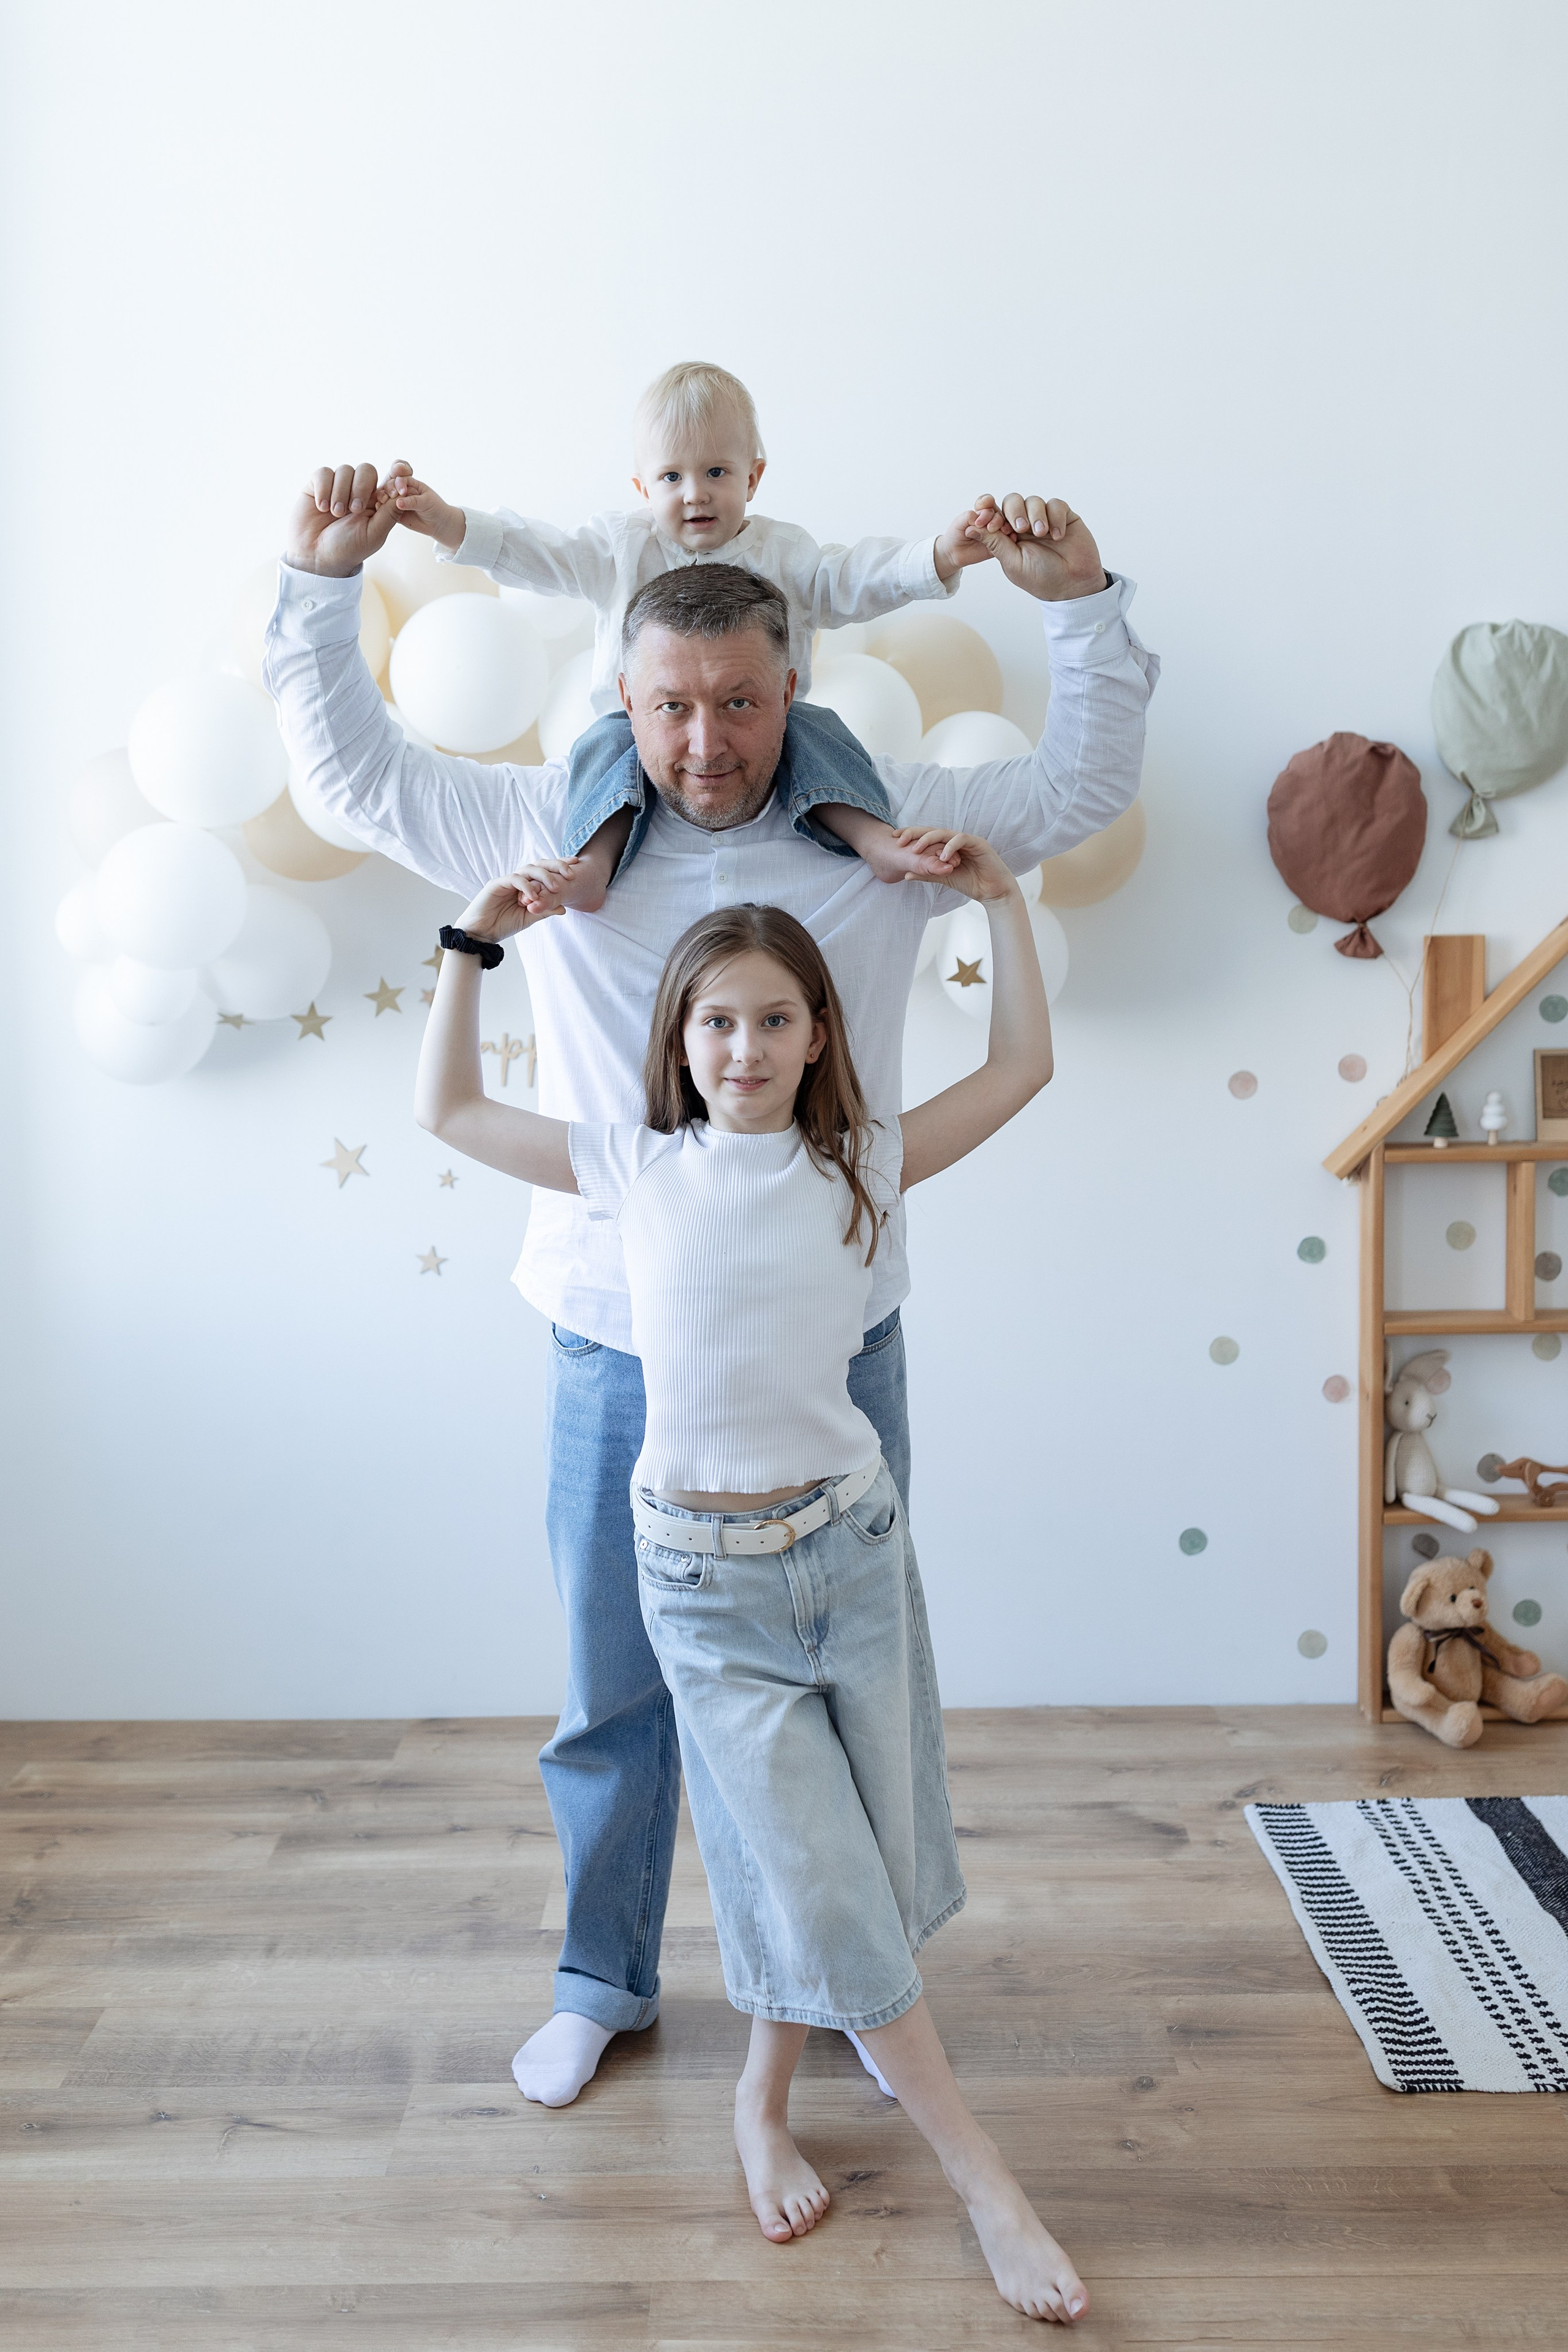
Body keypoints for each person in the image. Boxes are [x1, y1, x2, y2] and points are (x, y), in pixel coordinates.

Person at [265, 464, 1158, 2111]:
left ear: (791, 690)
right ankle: (604, 1978)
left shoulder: (882, 837)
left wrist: (1083, 604)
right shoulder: (556, 838)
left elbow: (1082, 782)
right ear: (621, 699)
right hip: (616, 1339)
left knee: (854, 1689)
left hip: (843, 1334)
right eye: (670, 707)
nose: (704, 741)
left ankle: (862, 1994)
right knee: (616, 1688)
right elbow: (348, 782)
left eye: (739, 702)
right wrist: (322, 581)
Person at [412, 837, 1088, 2324]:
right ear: (677, 1038)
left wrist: (999, 903)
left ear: (818, 1033)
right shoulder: (631, 1164)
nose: (743, 1045)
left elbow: (1024, 1064)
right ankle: (982, 2174)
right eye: (715, 1019)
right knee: (822, 1874)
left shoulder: (865, 1159)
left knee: (857, 1862)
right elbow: (446, 1105)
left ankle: (761, 2096)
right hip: (704, 1585)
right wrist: (475, 938)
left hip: (846, 1552)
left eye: (773, 1017)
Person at [380, 358, 1004, 909]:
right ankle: (594, 866)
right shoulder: (621, 548)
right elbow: (537, 552)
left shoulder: (783, 553)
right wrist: (449, 525)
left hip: (766, 722)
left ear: (753, 478)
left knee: (821, 738)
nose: (695, 494)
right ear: (641, 488)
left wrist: (939, 557)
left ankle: (874, 839)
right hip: (640, 727)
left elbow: (857, 578)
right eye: (671, 478)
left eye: (716, 472)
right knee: (601, 753)